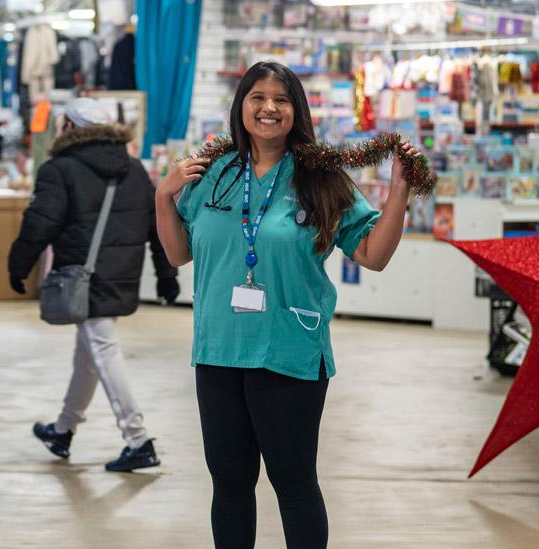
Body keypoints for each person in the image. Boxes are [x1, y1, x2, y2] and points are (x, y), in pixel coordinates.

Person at [155, 61, 423, 548]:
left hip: (289, 353)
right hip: (218, 351)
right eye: (258, 97)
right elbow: (178, 254)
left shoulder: (320, 179)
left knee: (294, 485)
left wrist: (400, 192)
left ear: (296, 110)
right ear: (242, 106)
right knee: (230, 486)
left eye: (281, 99)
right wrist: (162, 196)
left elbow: (373, 255)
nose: (269, 108)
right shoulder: (213, 173)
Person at [8, 97, 180, 472]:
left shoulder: (59, 169)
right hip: (121, 274)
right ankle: (63, 429)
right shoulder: (134, 169)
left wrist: (17, 264)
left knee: (102, 349)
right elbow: (158, 227)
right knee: (88, 354)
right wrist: (167, 277)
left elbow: (41, 222)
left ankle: (139, 440)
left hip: (83, 277)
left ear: (69, 127)